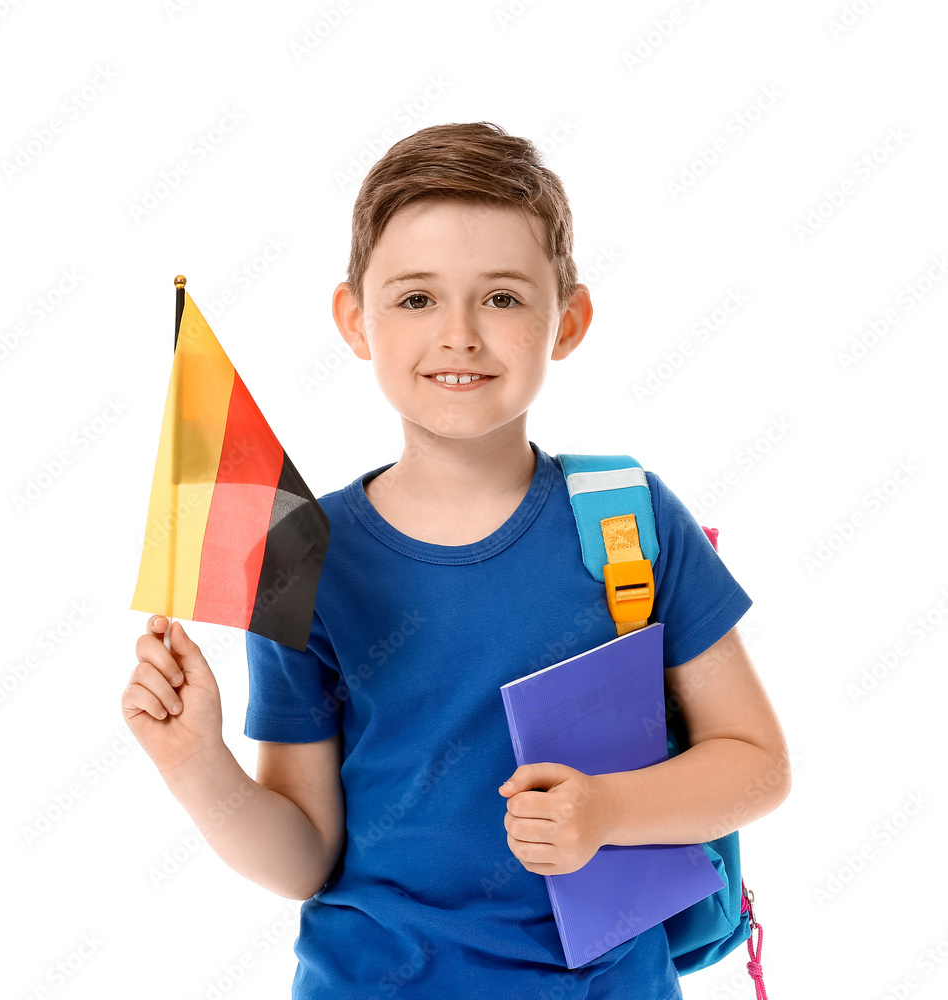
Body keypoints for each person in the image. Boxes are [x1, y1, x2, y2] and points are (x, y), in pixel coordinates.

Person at [123, 121, 791, 999]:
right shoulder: (298, 555)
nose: (460, 335)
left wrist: (608, 813)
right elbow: (303, 857)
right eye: (416, 299)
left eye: (504, 298)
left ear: (570, 319)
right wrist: (195, 765)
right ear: (355, 320)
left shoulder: (630, 521)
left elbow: (757, 764)